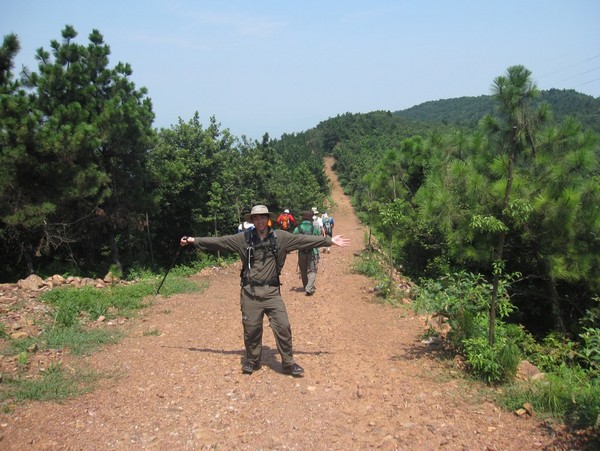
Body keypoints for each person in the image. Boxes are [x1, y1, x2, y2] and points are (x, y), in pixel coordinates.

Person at [180, 204, 350, 377]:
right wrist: (194, 240)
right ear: (252, 220)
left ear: (268, 219)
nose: (259, 221)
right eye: (256, 218)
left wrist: (329, 241)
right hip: (249, 291)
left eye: (263, 218)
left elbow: (302, 240)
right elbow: (220, 242)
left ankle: (288, 363)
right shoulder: (243, 239)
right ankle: (252, 361)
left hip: (272, 292)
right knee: (251, 328)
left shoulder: (281, 237)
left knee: (283, 326)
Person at [293, 211, 322, 296]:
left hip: (301, 252)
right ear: (311, 219)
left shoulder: (298, 228)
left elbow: (293, 238)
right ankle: (309, 288)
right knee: (313, 270)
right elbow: (318, 238)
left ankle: (306, 286)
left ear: (303, 218)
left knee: (303, 270)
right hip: (312, 252)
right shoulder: (314, 229)